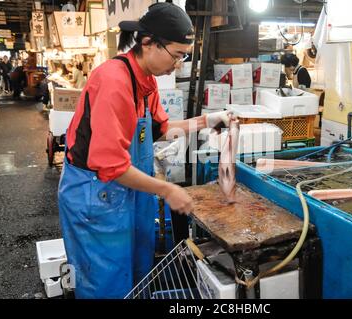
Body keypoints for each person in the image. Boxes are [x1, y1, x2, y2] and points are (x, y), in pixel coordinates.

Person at [58, 2, 233, 299]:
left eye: (184, 56)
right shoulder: (114, 81)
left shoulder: (146, 82)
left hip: (128, 193)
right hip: (94, 197)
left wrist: (207, 120)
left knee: (138, 274)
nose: (178, 64)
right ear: (148, 43)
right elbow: (111, 166)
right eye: (176, 55)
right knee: (106, 283)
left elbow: (161, 129)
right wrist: (167, 190)